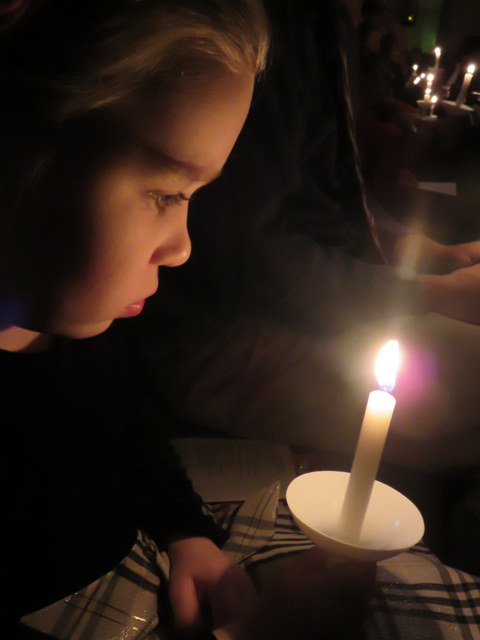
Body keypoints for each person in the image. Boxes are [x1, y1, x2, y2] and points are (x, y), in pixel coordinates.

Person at [1, 1, 377, 638]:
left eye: (194, 198)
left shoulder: (74, 335)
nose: (182, 248)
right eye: (166, 194)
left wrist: (187, 532)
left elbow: (128, 432)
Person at [125, 0, 480, 573]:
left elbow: (326, 202)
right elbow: (247, 261)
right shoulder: (262, 30)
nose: (180, 246)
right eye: (168, 197)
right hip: (232, 325)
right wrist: (431, 292)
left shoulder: (326, 22)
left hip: (327, 301)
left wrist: (427, 255)